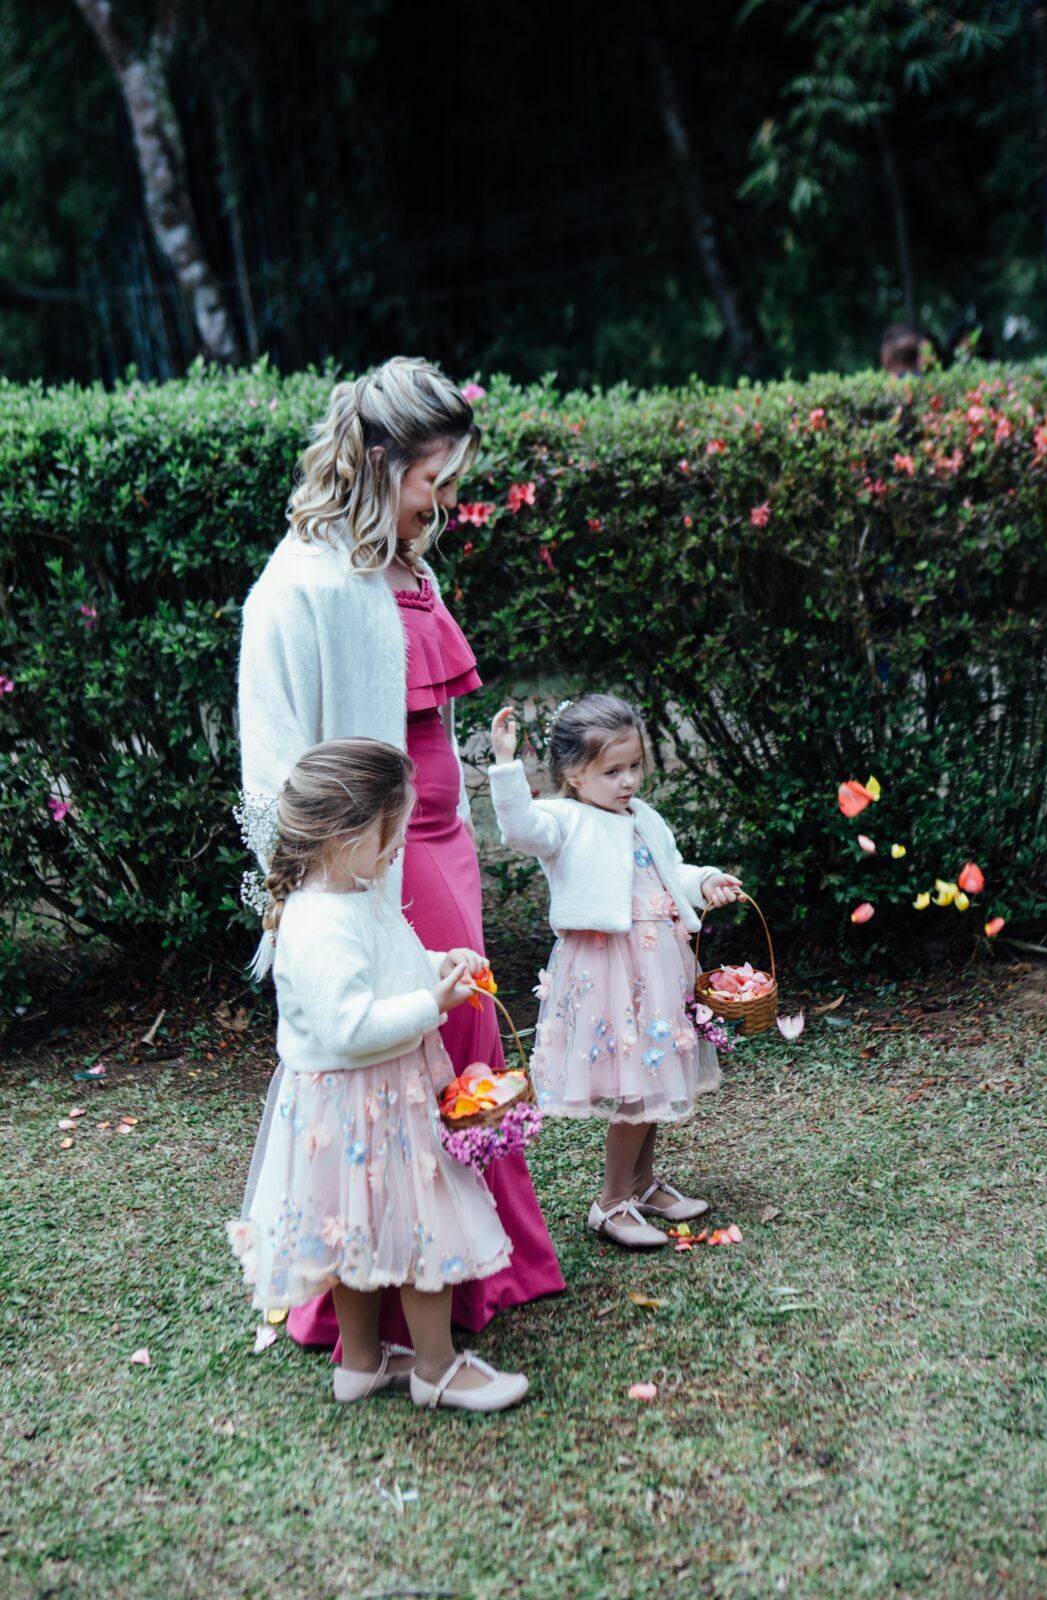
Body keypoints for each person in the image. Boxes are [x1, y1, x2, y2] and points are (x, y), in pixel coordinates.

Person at [236, 357, 563, 1356]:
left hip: (441, 835)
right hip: (375, 854)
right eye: (435, 480)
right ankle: (384, 1292)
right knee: (409, 1051)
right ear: (380, 460)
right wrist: (310, 887)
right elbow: (276, 763)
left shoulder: (403, 562)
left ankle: (480, 1265)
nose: (446, 501)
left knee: (467, 1044)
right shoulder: (303, 585)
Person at [229, 738, 529, 1412]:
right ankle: (436, 1369)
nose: (401, 846)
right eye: (391, 831)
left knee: (356, 1235)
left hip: (362, 1104)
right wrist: (435, 1004)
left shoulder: (352, 892)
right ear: (344, 833)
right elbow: (349, 1027)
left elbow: (386, 961)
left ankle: (361, 1363)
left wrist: (434, 963)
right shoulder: (318, 923)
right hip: (369, 1103)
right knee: (425, 1227)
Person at [487, 695, 743, 1250]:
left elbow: (672, 869)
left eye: (634, 766)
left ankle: (642, 1184)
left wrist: (706, 881)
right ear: (574, 775)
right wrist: (508, 766)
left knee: (652, 1079)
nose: (628, 780)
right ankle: (609, 1204)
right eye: (612, 771)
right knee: (634, 1088)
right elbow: (519, 830)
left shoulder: (643, 816)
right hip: (608, 969)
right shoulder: (563, 820)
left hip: (658, 966)